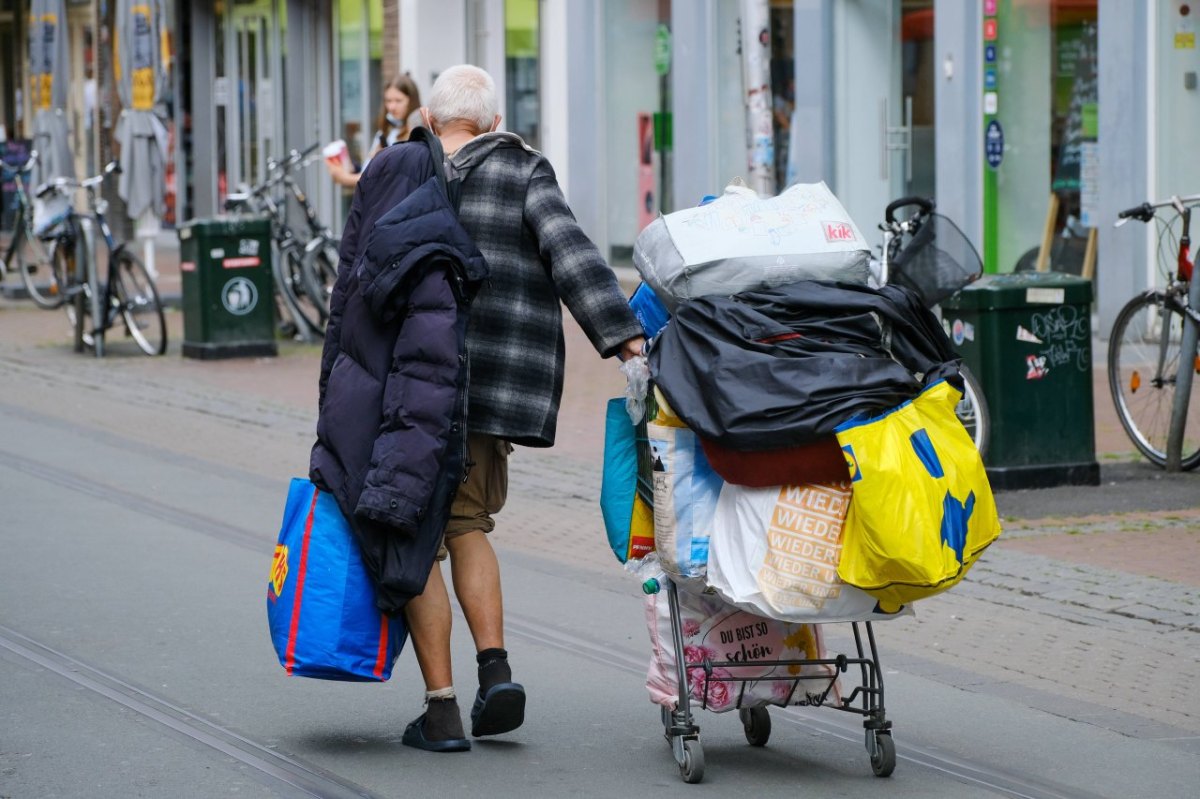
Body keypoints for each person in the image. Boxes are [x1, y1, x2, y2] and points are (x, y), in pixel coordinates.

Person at [310, 64, 645, 753]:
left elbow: (352, 283)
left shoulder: (396, 171)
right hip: (490, 390)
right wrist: (627, 341)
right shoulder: (523, 171)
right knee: (468, 523)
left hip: (403, 393)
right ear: (493, 123)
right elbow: (571, 254)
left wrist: (334, 392)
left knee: (414, 540)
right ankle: (496, 669)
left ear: (429, 121)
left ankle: (441, 710)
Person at [325, 74, 421, 188]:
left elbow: (386, 180)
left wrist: (344, 178)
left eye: (398, 101)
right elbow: (369, 170)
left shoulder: (416, 136)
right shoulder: (386, 132)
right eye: (388, 101)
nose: (392, 107)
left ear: (412, 101)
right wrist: (350, 167)